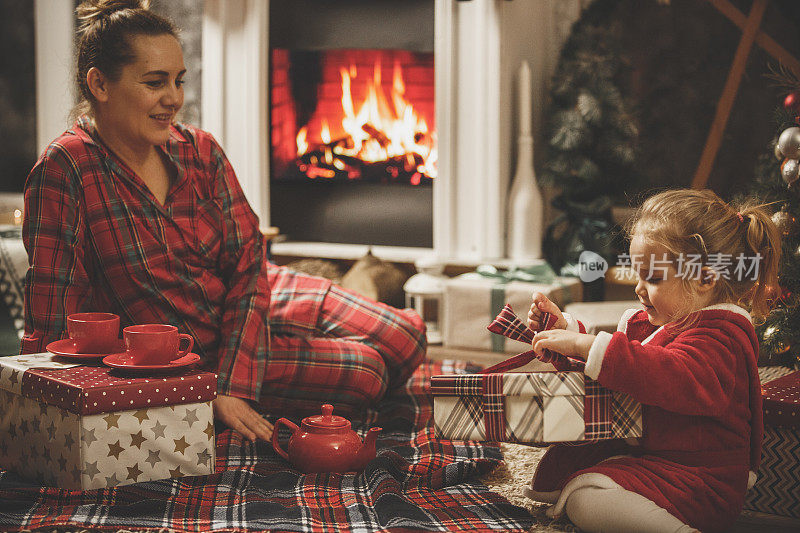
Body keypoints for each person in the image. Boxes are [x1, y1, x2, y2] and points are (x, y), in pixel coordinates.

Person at [21, 0, 426, 443]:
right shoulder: (66, 170)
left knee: (407, 336)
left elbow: (249, 264)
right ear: (99, 83)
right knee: (367, 373)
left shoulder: (199, 149)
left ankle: (297, 372)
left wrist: (234, 386)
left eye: (178, 81)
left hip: (258, 299)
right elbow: (55, 321)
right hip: (192, 352)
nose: (174, 99)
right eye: (155, 83)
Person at [523, 189, 781, 533]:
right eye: (638, 274)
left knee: (585, 498)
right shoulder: (670, 322)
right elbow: (622, 368)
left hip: (701, 483)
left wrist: (589, 346)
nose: (639, 289)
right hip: (661, 462)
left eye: (654, 278)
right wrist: (567, 333)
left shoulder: (722, 336)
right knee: (582, 491)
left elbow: (662, 372)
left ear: (705, 278)